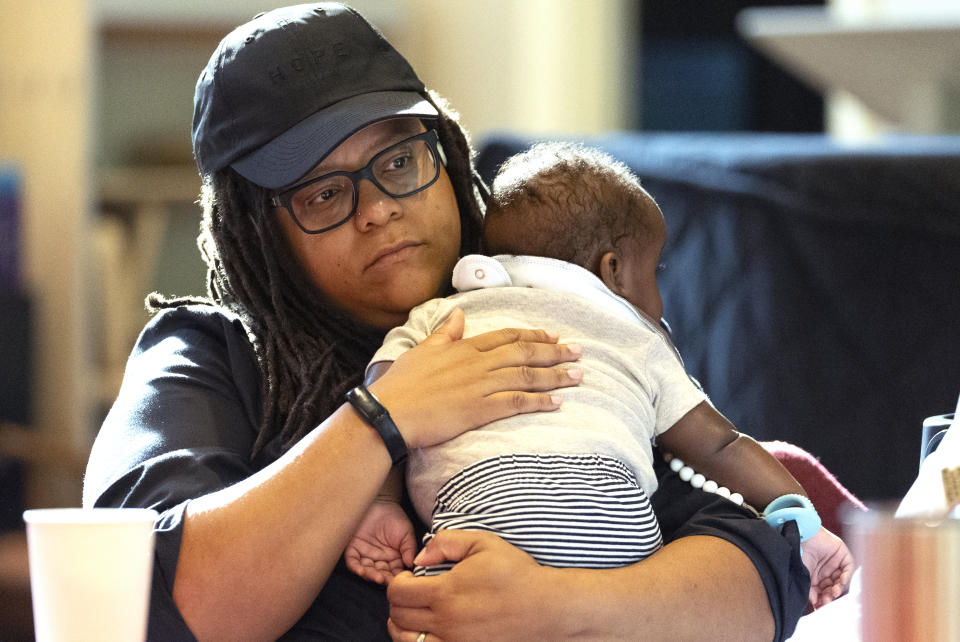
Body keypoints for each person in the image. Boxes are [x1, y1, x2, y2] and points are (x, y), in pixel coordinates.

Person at [82, 4, 815, 640]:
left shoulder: (538, 323)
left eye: (399, 160)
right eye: (322, 194)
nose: (378, 209)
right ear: (257, 233)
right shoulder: (213, 358)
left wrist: (558, 606)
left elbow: (762, 583)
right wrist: (385, 417)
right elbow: (136, 604)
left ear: (447, 155)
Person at [344, 142, 853, 606]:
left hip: (480, 519)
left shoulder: (443, 316)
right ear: (612, 270)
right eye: (655, 272)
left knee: (443, 613)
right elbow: (721, 445)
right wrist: (802, 520)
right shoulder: (634, 337)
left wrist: (383, 503)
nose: (659, 296)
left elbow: (387, 412)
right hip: (613, 523)